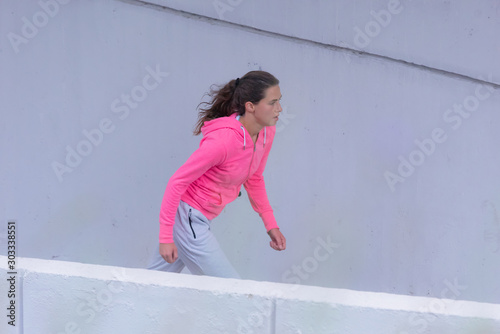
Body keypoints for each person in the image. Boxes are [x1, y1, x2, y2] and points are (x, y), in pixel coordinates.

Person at [147, 70, 286, 279]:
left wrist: (270, 224)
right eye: (272, 102)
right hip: (190, 218)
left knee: (152, 284)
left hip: (200, 218)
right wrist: (165, 237)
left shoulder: (266, 132)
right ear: (250, 106)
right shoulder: (224, 141)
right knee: (231, 290)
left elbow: (254, 178)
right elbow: (177, 181)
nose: (279, 109)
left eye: (279, 101)